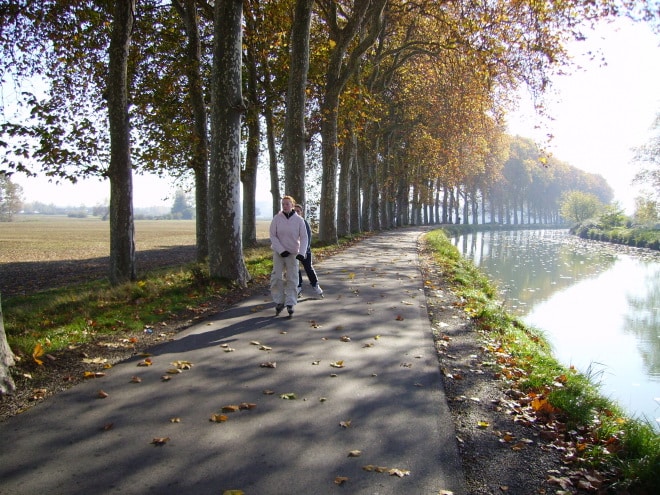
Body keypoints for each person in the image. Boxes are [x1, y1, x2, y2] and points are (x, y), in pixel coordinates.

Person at [269, 195, 308, 316]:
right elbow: (272, 235)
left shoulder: (299, 220)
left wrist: (302, 253)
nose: (285, 206)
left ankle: (290, 302)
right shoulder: (277, 218)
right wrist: (280, 250)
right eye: (283, 204)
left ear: (292, 205)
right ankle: (279, 301)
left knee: (292, 278)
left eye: (287, 204)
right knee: (277, 277)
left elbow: (304, 237)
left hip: (293, 253)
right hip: (279, 253)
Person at [294, 203, 323, 299]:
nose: (296, 212)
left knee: (308, 268)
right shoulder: (290, 224)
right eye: (294, 211)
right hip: (294, 251)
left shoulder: (304, 223)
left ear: (301, 213)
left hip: (305, 251)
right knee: (295, 269)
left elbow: (308, 238)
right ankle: (298, 287)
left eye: (298, 211)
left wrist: (305, 251)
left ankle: (315, 285)